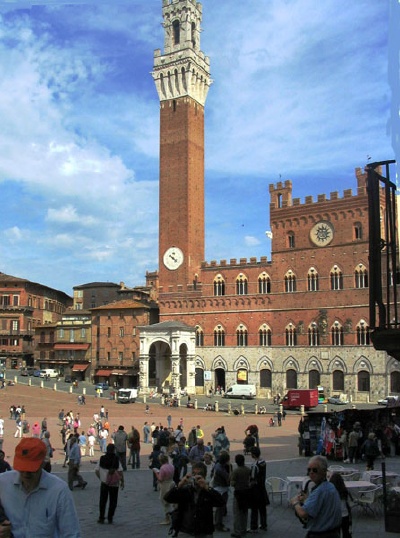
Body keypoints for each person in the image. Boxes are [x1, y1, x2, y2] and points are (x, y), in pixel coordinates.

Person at [0, 437, 81, 537]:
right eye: (22, 468)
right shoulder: (2, 483)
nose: (25, 474)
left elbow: (71, 533)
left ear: (43, 464)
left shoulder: (59, 490)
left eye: (31, 469)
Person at [164, 461, 225, 538]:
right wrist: (179, 485)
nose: (196, 478)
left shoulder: (208, 491)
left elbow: (221, 502)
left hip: (204, 531)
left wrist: (207, 487)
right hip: (185, 530)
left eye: (199, 475)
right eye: (194, 474)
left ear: (205, 476)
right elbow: (167, 498)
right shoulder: (186, 490)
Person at [290, 455, 342, 538]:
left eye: (315, 470)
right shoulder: (330, 486)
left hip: (320, 534)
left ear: (323, 471)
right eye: (309, 470)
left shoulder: (320, 490)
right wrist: (307, 500)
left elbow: (303, 513)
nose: (311, 472)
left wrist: (295, 502)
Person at [95, 443, 124, 524]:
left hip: (104, 482)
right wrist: (122, 481)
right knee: (113, 501)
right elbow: (120, 471)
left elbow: (96, 470)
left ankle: (101, 517)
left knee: (103, 501)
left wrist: (101, 478)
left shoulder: (102, 458)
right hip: (114, 483)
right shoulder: (116, 459)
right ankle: (110, 517)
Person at [230, 453, 251, 538]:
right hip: (246, 492)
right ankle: (243, 529)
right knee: (244, 512)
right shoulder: (248, 470)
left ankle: (237, 531)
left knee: (237, 513)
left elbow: (232, 483)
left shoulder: (236, 471)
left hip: (238, 492)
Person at [249, 447, 269, 532]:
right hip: (262, 488)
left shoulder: (255, 465)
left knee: (254, 508)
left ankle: (254, 526)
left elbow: (253, 478)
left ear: (253, 455)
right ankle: (263, 524)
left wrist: (249, 485)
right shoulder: (263, 462)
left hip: (255, 489)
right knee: (262, 508)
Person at [154, 453, 175, 525]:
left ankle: (167, 519)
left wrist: (156, 472)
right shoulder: (171, 465)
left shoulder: (162, 468)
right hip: (171, 482)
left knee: (165, 501)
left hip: (165, 485)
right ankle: (173, 515)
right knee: (172, 500)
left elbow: (160, 479)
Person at [212, 450, 231, 532]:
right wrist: (230, 468)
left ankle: (217, 523)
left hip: (217, 487)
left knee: (219, 508)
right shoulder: (221, 469)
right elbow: (228, 479)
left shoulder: (217, 466)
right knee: (221, 508)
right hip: (221, 489)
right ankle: (218, 524)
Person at [329, 473, 352, 538]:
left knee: (336, 534)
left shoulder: (330, 492)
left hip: (335, 516)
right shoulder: (344, 491)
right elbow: (349, 503)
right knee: (346, 533)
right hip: (345, 515)